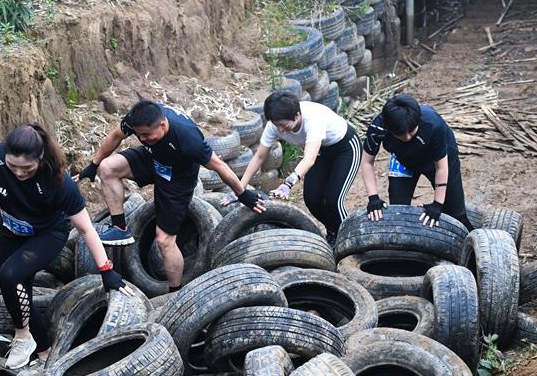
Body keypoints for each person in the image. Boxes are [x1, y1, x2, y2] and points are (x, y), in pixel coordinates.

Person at [0, 123, 129, 369]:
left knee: (10, 275)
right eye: (13, 167)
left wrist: (106, 270)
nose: (19, 173)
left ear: (40, 158)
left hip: (48, 235)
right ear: (5, 156)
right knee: (18, 292)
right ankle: (44, 352)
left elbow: (85, 228)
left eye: (27, 168)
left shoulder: (59, 182)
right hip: (12, 230)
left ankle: (22, 336)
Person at [76, 99, 266, 292]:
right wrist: (94, 164)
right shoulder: (139, 118)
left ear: (163, 125)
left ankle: (175, 292)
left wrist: (242, 194)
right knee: (107, 168)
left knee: (164, 240)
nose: (142, 139)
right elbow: (117, 134)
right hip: (153, 158)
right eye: (139, 135)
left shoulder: (188, 139)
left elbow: (220, 166)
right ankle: (119, 226)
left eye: (147, 135)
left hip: (178, 178)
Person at [225, 91, 363, 244]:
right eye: (278, 125)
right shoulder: (274, 126)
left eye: (284, 125)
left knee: (333, 200)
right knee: (312, 200)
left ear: (297, 115)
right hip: (321, 152)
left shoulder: (313, 119)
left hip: (345, 148)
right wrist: (240, 188)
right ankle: (334, 233)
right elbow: (259, 156)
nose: (281, 130)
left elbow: (309, 159)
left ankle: (353, 241)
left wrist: (287, 184)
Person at [360, 93, 473, 230]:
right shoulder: (378, 128)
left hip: (436, 160)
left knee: (455, 214)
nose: (407, 137)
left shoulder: (433, 124)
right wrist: (373, 198)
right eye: (401, 134)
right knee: (398, 212)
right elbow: (367, 162)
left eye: (411, 132)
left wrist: (437, 204)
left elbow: (441, 167)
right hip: (402, 161)